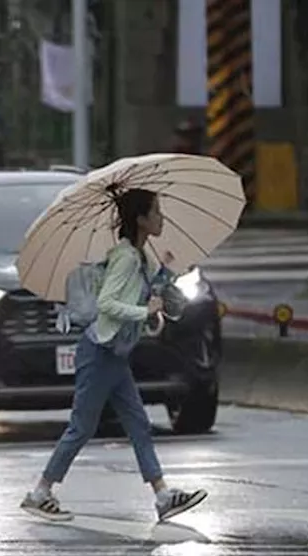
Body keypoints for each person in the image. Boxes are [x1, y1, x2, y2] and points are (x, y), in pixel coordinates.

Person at [20, 188, 207, 523]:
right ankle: (40, 492)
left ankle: (163, 495)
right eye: (156, 212)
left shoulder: (140, 256)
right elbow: (107, 304)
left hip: (114, 355)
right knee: (82, 427)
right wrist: (141, 310)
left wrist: (162, 276)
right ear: (140, 219)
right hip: (99, 352)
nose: (161, 218)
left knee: (138, 423)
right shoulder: (124, 257)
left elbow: (146, 292)